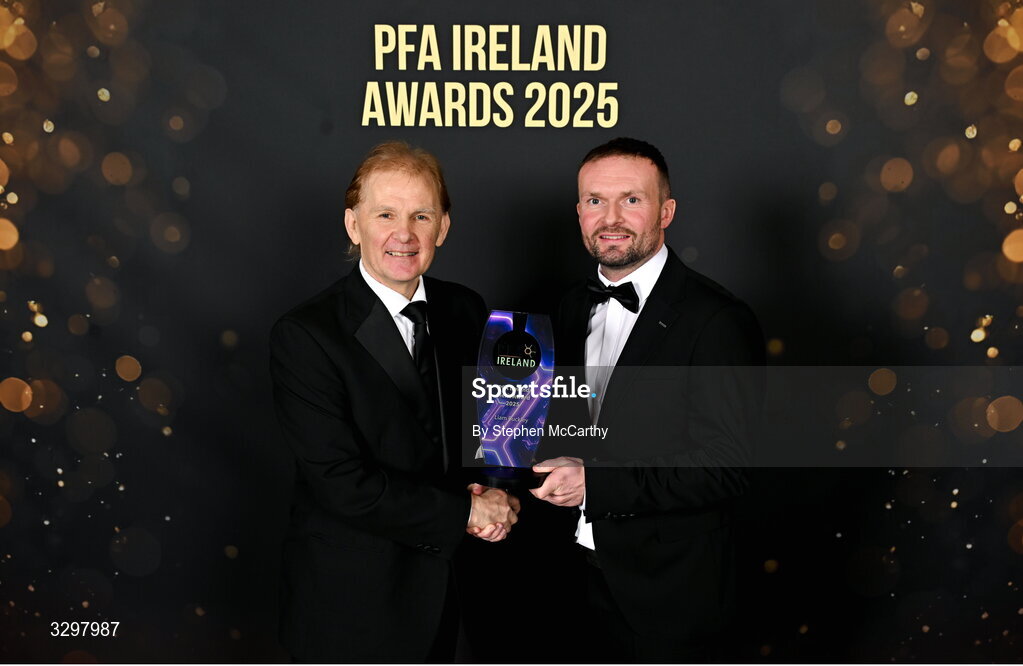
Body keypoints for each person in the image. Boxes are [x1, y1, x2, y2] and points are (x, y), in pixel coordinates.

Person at [270, 141, 519, 663]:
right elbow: (342, 484)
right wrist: (468, 511)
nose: (403, 234)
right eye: (385, 214)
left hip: (462, 593)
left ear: (443, 227)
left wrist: (499, 490)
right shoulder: (306, 334)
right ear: (353, 224)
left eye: (421, 215)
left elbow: (491, 431)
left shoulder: (467, 308)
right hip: (357, 604)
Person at [531, 137, 764, 661]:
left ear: (666, 211)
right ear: (579, 212)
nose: (610, 217)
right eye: (595, 201)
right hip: (571, 586)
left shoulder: (717, 320)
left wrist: (596, 483)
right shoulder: (570, 307)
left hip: (671, 598)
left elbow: (726, 467)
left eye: (631, 200)